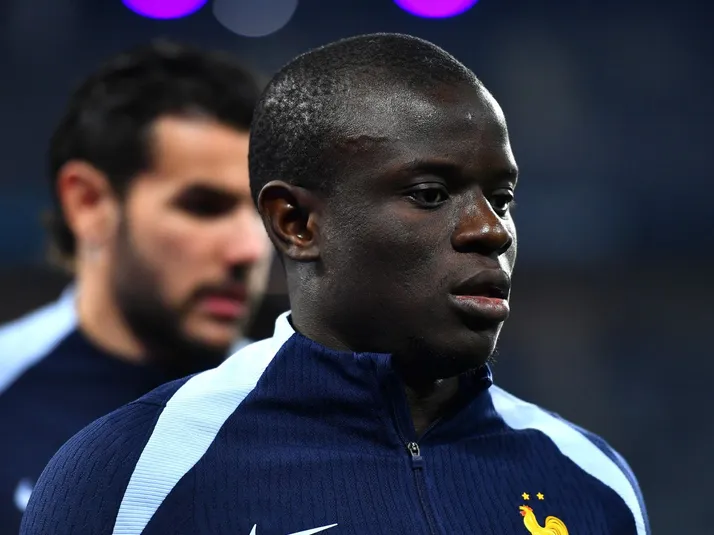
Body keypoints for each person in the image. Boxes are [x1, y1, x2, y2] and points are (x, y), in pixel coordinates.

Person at [21, 33, 650, 535]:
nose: (491, 230)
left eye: (502, 198)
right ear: (296, 223)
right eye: (431, 194)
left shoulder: (592, 482)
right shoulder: (131, 475)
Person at [1, 40, 271, 532]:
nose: (249, 249)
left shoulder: (299, 402)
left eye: (262, 212)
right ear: (88, 203)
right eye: (203, 206)